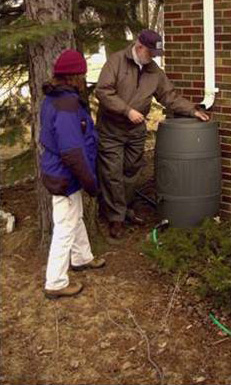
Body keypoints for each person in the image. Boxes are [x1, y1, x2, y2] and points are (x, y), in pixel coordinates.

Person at [95, 29, 210, 239]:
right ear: (139, 47)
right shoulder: (116, 62)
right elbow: (103, 91)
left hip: (135, 131)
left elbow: (169, 96)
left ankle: (123, 208)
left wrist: (192, 110)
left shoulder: (153, 70)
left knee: (131, 172)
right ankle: (115, 218)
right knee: (112, 173)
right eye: (151, 53)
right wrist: (126, 110)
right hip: (112, 128)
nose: (153, 58)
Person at [40, 49, 105, 299]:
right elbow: (72, 152)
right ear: (74, 76)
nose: (84, 80)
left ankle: (81, 257)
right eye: (82, 75)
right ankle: (55, 282)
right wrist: (91, 183)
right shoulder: (66, 105)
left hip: (64, 173)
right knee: (65, 225)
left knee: (74, 215)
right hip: (65, 175)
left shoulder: (57, 98)